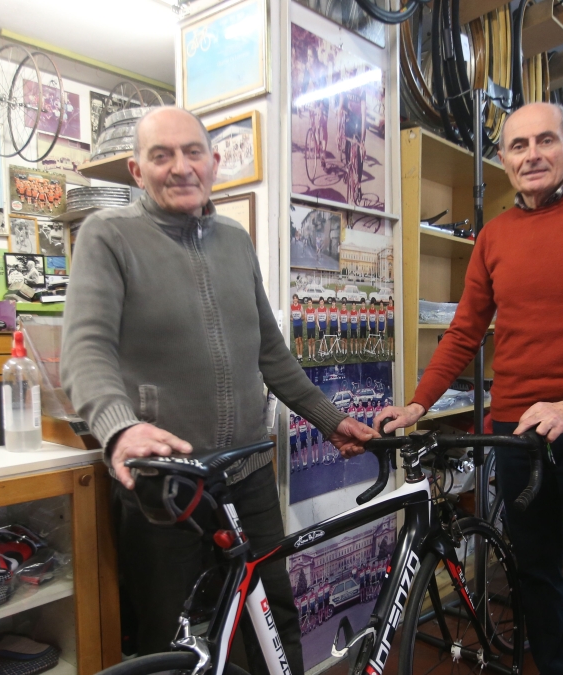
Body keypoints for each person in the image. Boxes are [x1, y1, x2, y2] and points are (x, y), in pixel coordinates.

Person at [63, 106, 377, 675]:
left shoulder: (234, 239)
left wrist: (331, 420)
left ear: (213, 162)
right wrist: (120, 427)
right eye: (161, 155)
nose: (180, 167)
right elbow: (85, 350)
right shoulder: (106, 236)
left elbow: (270, 352)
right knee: (175, 645)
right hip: (168, 487)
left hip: (248, 475)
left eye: (192, 152)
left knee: (273, 623)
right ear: (137, 170)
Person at [374, 103, 563, 675]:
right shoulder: (495, 236)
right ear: (503, 158)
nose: (532, 155)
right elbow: (465, 331)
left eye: (545, 140)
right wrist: (418, 403)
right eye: (518, 145)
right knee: (534, 573)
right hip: (516, 430)